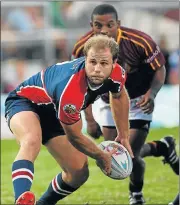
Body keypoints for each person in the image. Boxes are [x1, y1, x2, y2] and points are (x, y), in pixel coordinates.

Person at [5, 35, 133, 205]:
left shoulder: (118, 74)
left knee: (78, 172)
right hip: (26, 102)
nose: (96, 68)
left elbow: (118, 96)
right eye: (92, 62)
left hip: (55, 112)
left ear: (114, 63)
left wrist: (123, 134)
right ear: (85, 59)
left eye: (103, 63)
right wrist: (100, 155)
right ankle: (21, 199)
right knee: (31, 140)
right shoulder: (71, 88)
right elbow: (74, 135)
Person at [72, 4, 179, 204]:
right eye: (98, 25)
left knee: (131, 153)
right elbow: (80, 84)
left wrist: (152, 93)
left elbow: (160, 68)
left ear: (118, 24)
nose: (104, 30)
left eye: (109, 25)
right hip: (106, 101)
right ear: (91, 25)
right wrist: (89, 118)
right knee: (114, 152)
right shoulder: (82, 48)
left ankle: (135, 195)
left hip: (138, 100)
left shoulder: (139, 41)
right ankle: (162, 147)